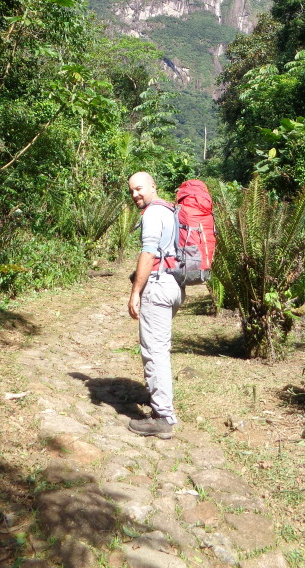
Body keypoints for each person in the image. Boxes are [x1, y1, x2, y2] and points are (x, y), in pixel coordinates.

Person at [127, 171, 184, 438]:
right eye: (131, 191)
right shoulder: (170, 211)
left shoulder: (152, 214)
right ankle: (164, 410)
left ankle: (163, 417)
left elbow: (148, 253)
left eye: (139, 188)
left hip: (158, 287)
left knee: (155, 351)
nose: (135, 194)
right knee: (160, 347)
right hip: (174, 285)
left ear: (153, 186)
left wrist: (135, 292)